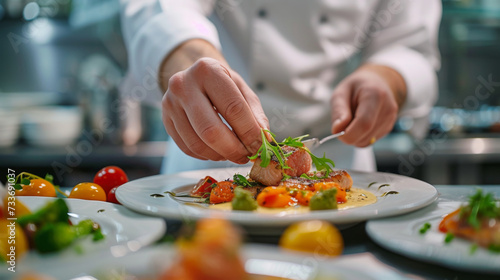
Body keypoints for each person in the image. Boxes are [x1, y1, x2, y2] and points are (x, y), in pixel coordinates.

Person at [119, 0, 441, 174]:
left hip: (337, 156)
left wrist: (385, 77)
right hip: (208, 151)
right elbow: (160, 7)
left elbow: (411, 44)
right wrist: (190, 59)